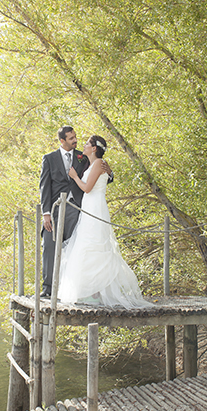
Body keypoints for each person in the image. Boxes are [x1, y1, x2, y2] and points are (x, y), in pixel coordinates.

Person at [55, 136, 150, 307]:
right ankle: (89, 290)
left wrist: (75, 177)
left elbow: (87, 188)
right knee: (87, 245)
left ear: (94, 149)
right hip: (89, 208)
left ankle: (95, 292)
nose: (83, 146)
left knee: (94, 245)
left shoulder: (99, 163)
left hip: (95, 207)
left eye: (86, 144)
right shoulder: (93, 164)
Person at [38, 126, 88, 297]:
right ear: (62, 141)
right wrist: (46, 213)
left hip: (76, 208)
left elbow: (95, 172)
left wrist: (108, 174)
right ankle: (48, 290)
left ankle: (75, 290)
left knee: (77, 248)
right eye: (71, 138)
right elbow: (44, 187)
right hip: (54, 209)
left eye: (75, 136)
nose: (75, 140)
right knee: (49, 247)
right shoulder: (49, 159)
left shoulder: (82, 157)